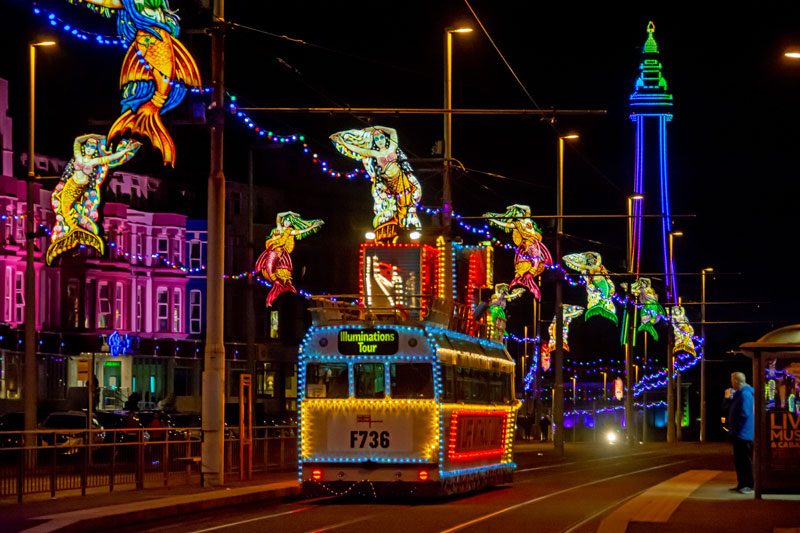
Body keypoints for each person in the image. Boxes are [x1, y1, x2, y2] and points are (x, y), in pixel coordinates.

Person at [723, 372, 754, 493]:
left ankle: (749, 485)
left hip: (744, 434)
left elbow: (744, 414)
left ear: (736, 381)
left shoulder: (745, 394)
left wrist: (736, 428)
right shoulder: (739, 394)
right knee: (740, 461)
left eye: (732, 381)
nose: (731, 383)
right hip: (740, 434)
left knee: (745, 461)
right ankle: (742, 484)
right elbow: (725, 408)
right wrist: (727, 398)